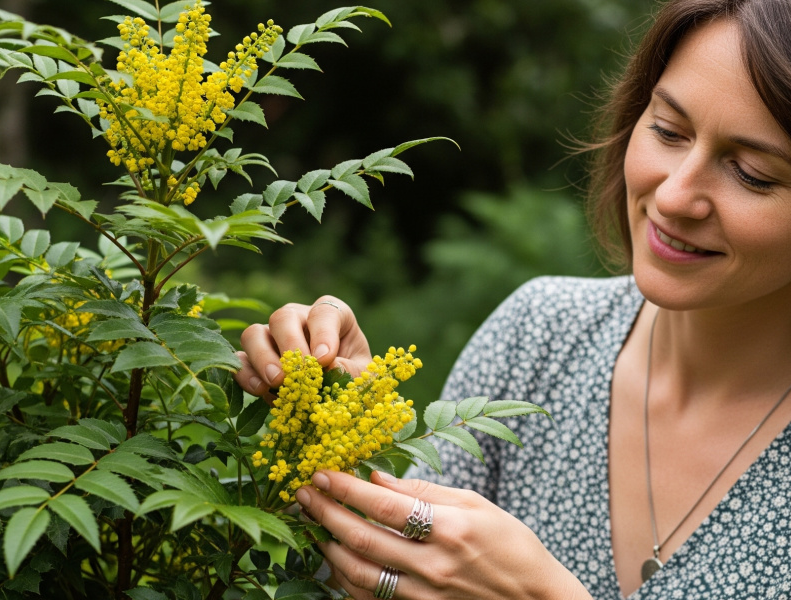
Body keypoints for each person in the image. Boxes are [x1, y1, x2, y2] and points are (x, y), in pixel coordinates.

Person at [236, 0, 791, 597]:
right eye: (667, 131)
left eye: (753, 173)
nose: (677, 196)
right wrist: (336, 435)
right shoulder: (538, 336)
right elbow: (372, 578)